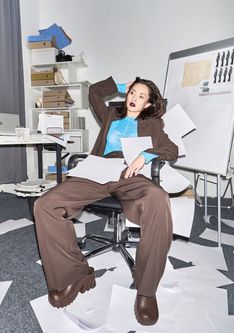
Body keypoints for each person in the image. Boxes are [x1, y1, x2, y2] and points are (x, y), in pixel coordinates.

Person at [34, 76, 178, 326]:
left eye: (141, 96)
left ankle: (146, 290)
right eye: (133, 93)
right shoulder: (111, 113)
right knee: (45, 205)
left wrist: (145, 155)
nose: (134, 99)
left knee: (158, 198)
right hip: (98, 171)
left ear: (147, 104)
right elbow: (94, 93)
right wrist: (123, 86)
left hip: (129, 173)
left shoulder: (153, 123)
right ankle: (74, 275)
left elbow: (171, 149)